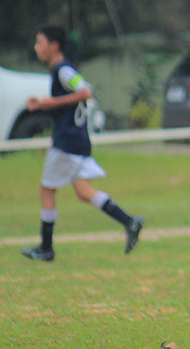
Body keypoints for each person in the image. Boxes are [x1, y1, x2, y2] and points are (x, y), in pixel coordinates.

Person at [21, 24, 144, 262]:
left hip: (67, 142)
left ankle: (46, 248)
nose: (37, 48)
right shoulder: (61, 70)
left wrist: (51, 103)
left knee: (47, 190)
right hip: (77, 141)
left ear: (54, 46)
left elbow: (85, 92)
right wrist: (45, 104)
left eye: (40, 43)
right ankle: (130, 222)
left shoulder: (63, 70)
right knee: (84, 192)